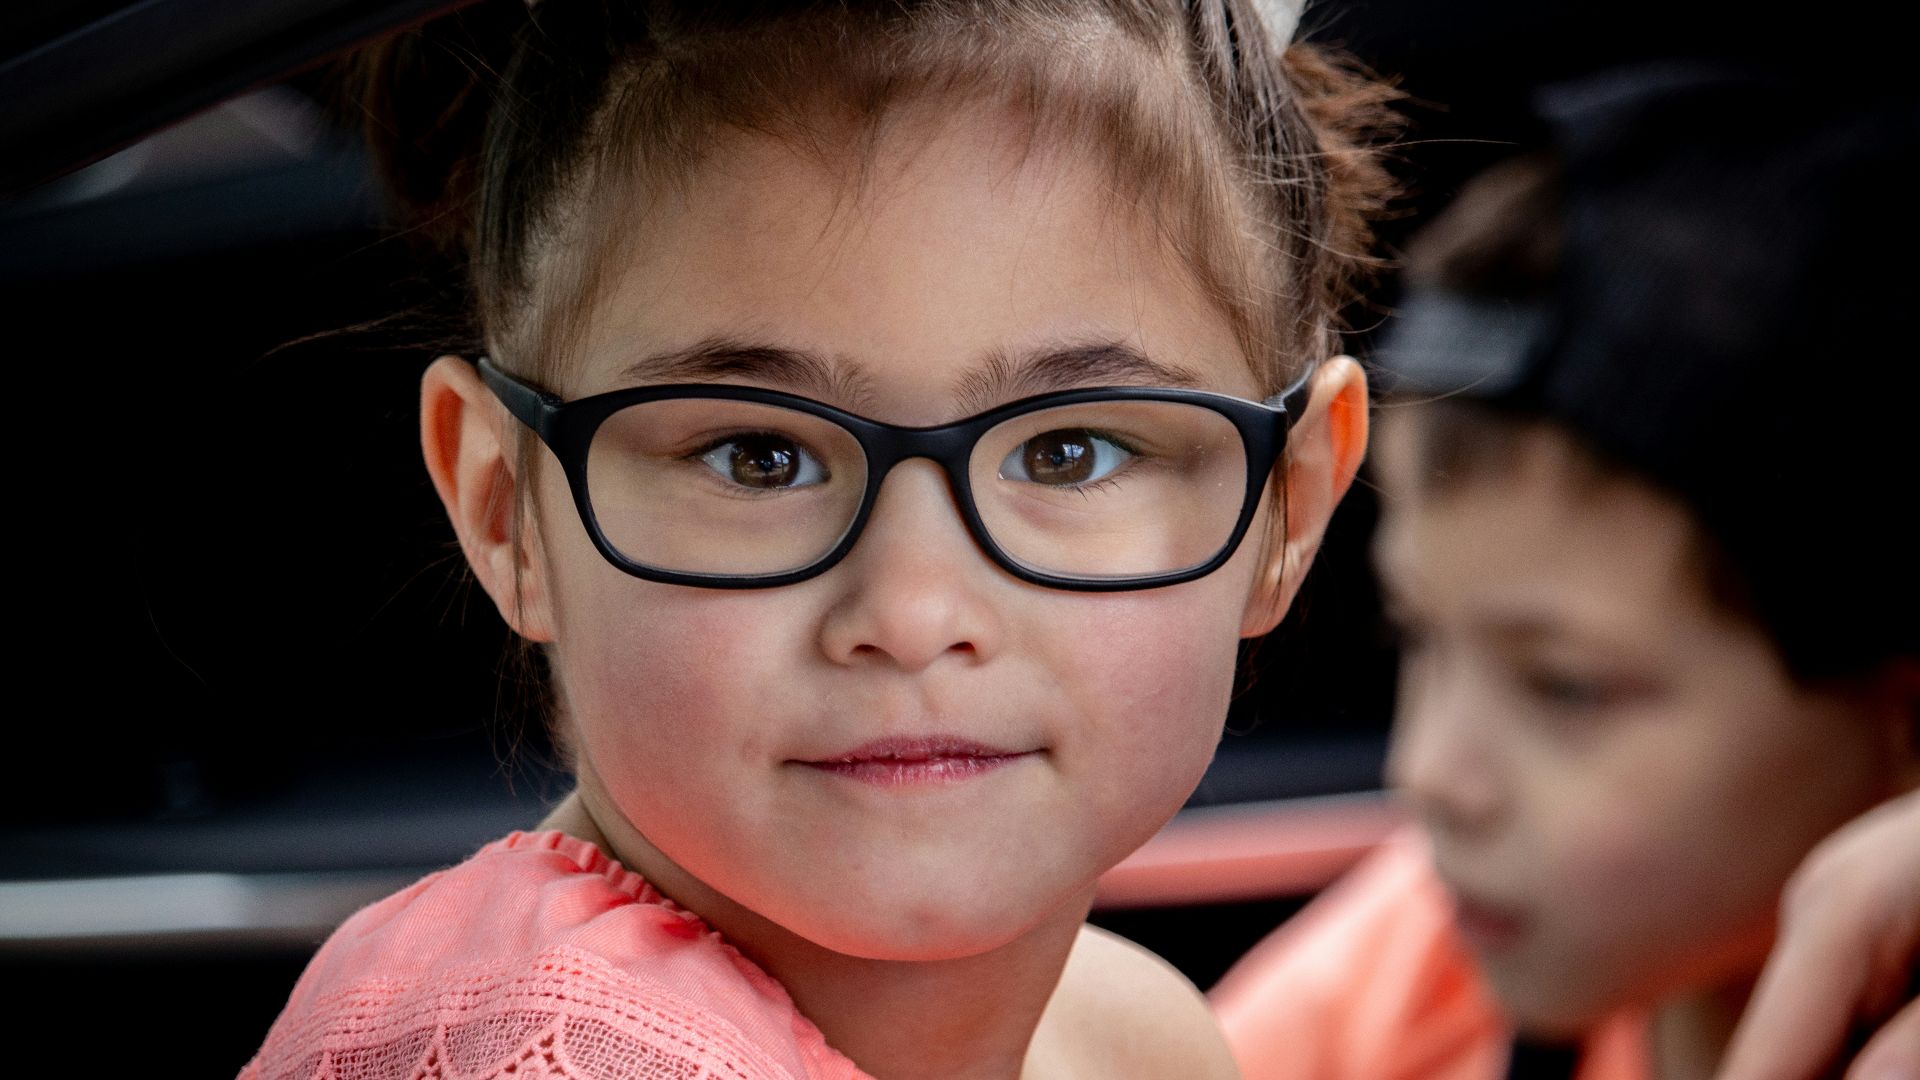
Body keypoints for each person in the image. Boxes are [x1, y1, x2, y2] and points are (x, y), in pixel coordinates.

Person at [240, 1, 1396, 1077]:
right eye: (760, 458)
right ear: (505, 508)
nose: (910, 614)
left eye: (1068, 453)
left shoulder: (1128, 1033)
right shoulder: (557, 1056)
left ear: (1289, 505)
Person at [1212, 69, 1920, 1080]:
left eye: (1564, 686)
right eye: (1417, 634)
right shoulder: (1412, 981)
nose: (1428, 774)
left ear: (1903, 721)